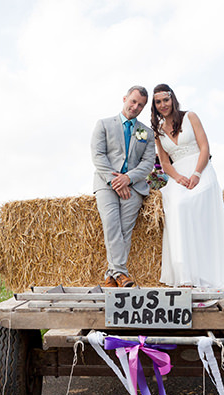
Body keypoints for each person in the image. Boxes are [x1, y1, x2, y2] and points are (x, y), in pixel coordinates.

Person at [150, 84, 224, 289]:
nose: (163, 105)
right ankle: (185, 275)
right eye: (158, 102)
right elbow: (165, 163)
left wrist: (196, 174)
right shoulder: (157, 131)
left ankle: (207, 270)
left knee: (193, 201)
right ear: (154, 105)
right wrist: (178, 178)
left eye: (166, 100)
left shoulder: (190, 117)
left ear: (172, 99)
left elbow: (205, 147)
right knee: (178, 206)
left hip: (201, 170)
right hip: (178, 175)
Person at [91, 85, 156, 287]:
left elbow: (147, 163)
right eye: (133, 101)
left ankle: (112, 276)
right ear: (125, 98)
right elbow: (98, 155)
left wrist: (127, 179)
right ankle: (120, 273)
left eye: (141, 105)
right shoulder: (103, 124)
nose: (135, 107)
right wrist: (115, 181)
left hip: (133, 186)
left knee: (125, 230)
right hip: (106, 184)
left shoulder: (147, 132)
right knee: (111, 225)